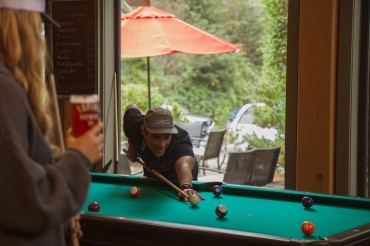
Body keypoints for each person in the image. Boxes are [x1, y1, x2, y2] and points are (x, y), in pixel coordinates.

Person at [0, 1, 104, 245]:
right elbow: (30, 203)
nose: (41, 39)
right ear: (22, 26)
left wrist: (62, 218)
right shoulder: (4, 90)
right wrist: (79, 156)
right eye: (39, 27)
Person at [123, 104, 200, 201]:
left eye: (167, 137)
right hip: (152, 169)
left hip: (179, 177)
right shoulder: (134, 126)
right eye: (156, 137)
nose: (162, 144)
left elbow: (183, 165)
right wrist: (131, 146)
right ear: (144, 131)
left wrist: (186, 186)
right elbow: (131, 106)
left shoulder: (180, 140)